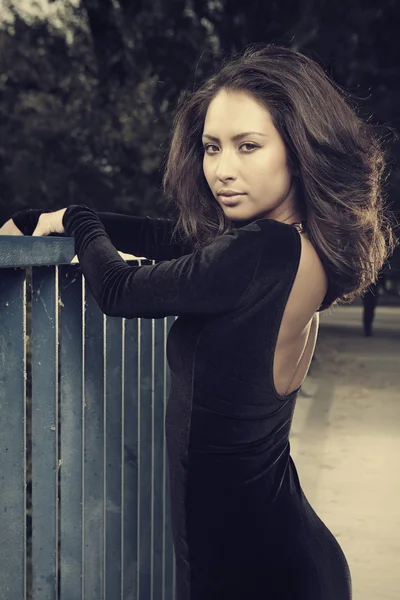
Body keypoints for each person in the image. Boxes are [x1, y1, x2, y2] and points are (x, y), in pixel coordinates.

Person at [1, 44, 397, 600]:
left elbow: (117, 290)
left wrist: (76, 219)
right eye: (212, 148)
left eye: (248, 146)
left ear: (299, 151)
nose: (221, 169)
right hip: (276, 552)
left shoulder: (262, 249)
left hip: (261, 571)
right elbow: (165, 240)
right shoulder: (293, 247)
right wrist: (29, 221)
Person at [362, 269, 386, 336]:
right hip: (370, 291)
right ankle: (367, 329)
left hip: (370, 291)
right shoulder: (377, 269)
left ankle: (367, 328)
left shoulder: (375, 270)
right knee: (369, 309)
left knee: (369, 309)